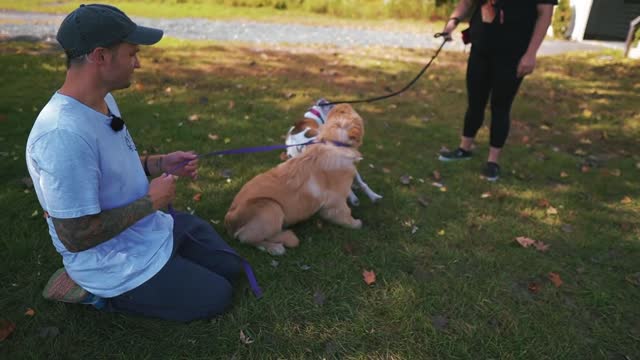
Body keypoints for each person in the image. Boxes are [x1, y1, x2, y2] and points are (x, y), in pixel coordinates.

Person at [26, 3, 243, 322]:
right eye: (131, 53)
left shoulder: (102, 100)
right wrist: (151, 202)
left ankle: (168, 260)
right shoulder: (62, 135)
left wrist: (160, 163)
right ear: (100, 56)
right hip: (113, 264)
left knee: (231, 267)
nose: (138, 63)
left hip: (147, 229)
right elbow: (76, 236)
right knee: (218, 295)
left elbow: (114, 169)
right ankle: (91, 292)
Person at [438, 0, 556, 181]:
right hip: (481, 48)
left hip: (513, 53)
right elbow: (467, 2)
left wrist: (531, 54)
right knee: (475, 102)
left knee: (500, 105)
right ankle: (464, 149)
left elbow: (545, 15)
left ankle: (493, 162)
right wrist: (451, 24)